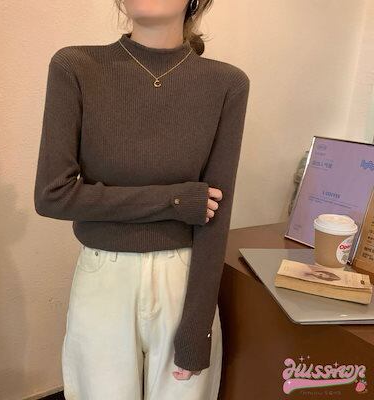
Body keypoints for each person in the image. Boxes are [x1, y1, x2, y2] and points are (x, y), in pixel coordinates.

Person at [34, 0, 250, 398]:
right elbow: (52, 195)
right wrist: (174, 201)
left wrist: (198, 328)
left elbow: (216, 216)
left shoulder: (226, 83)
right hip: (103, 279)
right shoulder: (76, 67)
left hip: (184, 280)